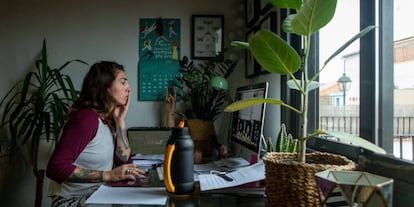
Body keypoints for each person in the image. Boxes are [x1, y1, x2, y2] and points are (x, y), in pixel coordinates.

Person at [46, 61, 145, 207]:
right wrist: (108, 175)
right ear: (105, 87)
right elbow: (56, 168)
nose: (129, 88)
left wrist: (120, 121)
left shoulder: (107, 120)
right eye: (123, 82)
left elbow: (123, 163)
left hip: (98, 194)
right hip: (72, 201)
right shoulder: (86, 119)